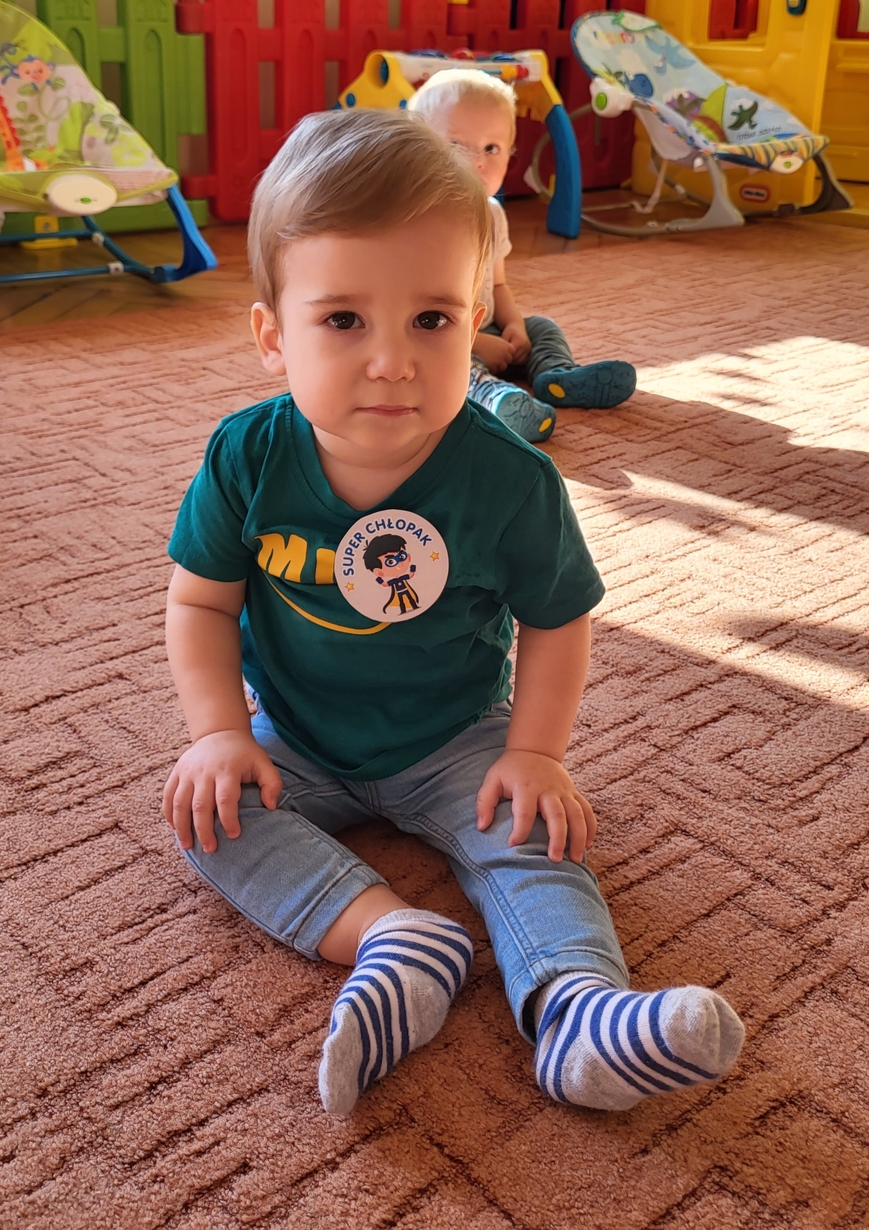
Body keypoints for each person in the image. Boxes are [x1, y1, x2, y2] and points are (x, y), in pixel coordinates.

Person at [163, 109, 743, 1118]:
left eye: (430, 320)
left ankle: (577, 1010)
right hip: (294, 732)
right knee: (208, 815)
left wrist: (536, 753)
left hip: (454, 735)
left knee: (531, 835)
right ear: (272, 337)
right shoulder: (246, 457)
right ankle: (393, 940)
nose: (391, 360)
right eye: (343, 321)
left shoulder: (509, 480)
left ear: (474, 322)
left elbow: (557, 619)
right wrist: (218, 733)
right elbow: (200, 601)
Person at [409, 68, 637, 444]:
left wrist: (514, 324)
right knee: (441, 363)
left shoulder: (493, 215)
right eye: (456, 145)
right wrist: (472, 343)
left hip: (486, 326)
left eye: (491, 148)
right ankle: (493, 399)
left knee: (542, 326)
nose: (478, 161)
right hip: (435, 336)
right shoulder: (416, 224)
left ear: (510, 153)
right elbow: (415, 314)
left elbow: (497, 285)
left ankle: (557, 375)